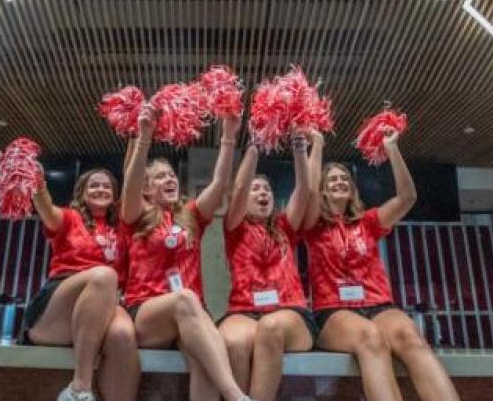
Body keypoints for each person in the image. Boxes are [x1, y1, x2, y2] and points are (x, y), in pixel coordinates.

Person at [302, 131, 459, 401]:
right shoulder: (313, 224)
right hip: (334, 310)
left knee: (412, 337)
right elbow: (307, 192)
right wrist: (317, 145)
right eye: (332, 179)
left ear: (352, 188)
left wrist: (392, 149)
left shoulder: (369, 222)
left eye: (344, 178)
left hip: (379, 305)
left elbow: (407, 198)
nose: (339, 181)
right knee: (370, 337)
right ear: (323, 188)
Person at [121, 106, 251, 401]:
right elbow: (130, 185)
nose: (169, 180)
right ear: (145, 188)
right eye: (159, 178)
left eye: (171, 176)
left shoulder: (190, 215)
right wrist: (144, 137)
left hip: (190, 316)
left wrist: (229, 136)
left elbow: (219, 185)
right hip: (147, 314)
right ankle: (235, 396)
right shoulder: (135, 213)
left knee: (205, 360)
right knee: (186, 298)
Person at [22, 167, 140, 401]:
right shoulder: (69, 218)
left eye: (107, 186)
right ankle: (79, 389)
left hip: (102, 306)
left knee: (123, 334)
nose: (101, 189)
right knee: (104, 276)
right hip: (58, 307)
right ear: (82, 193)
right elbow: (46, 208)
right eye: (94, 185)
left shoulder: (122, 229)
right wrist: (38, 186)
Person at [218, 133, 316, 401]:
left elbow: (304, 191)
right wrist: (254, 146)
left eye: (267, 190)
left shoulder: (285, 227)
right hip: (245, 310)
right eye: (256, 189)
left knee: (270, 327)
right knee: (232, 343)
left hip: (289, 311)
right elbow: (237, 190)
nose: (263, 193)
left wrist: (299, 151)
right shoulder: (234, 227)